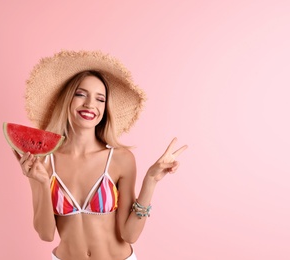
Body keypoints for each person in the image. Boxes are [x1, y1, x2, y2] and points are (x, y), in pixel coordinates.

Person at [12, 50, 187, 260]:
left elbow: (129, 234)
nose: (90, 104)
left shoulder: (121, 159)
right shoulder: (44, 160)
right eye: (80, 94)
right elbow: (46, 234)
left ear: (105, 108)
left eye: (100, 99)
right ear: (67, 100)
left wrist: (150, 181)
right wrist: (40, 182)